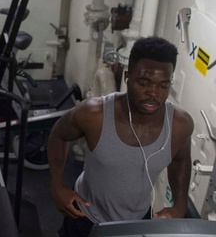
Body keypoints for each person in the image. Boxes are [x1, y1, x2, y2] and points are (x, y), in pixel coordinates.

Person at [48, 36, 194, 237]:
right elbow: (59, 134)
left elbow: (181, 160)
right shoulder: (94, 114)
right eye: (144, 82)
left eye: (163, 85)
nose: (154, 93)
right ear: (128, 76)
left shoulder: (180, 125)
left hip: (137, 222)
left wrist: (179, 204)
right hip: (85, 216)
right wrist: (57, 186)